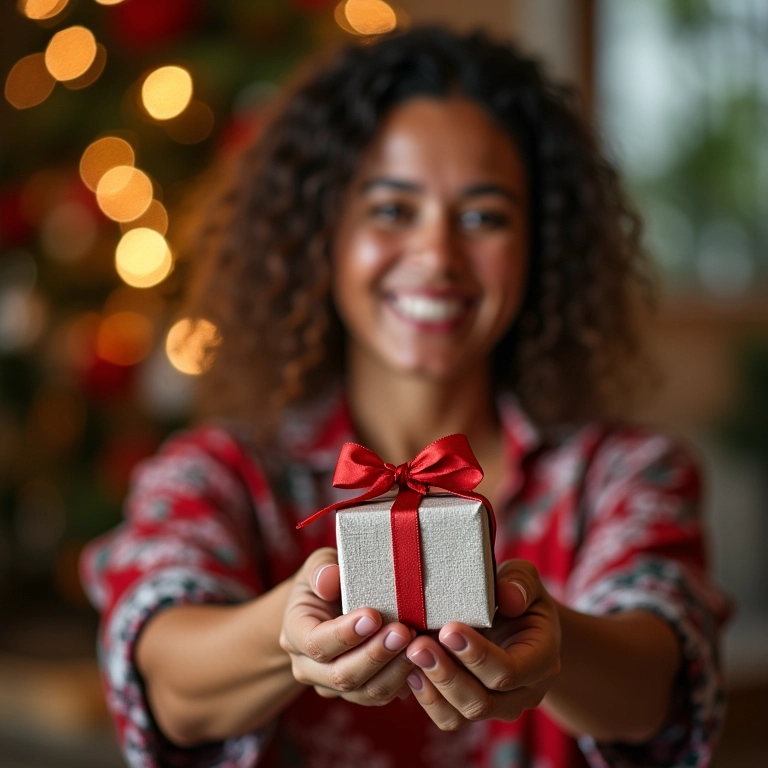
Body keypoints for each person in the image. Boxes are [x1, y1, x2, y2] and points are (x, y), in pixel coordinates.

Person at [80, 26, 730, 768]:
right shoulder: (216, 473)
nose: (436, 256)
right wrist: (281, 634)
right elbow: (164, 677)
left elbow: (658, 683)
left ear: (542, 244)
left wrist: (551, 642)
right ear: (323, 233)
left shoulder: (625, 474)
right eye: (392, 209)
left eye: (484, 216)